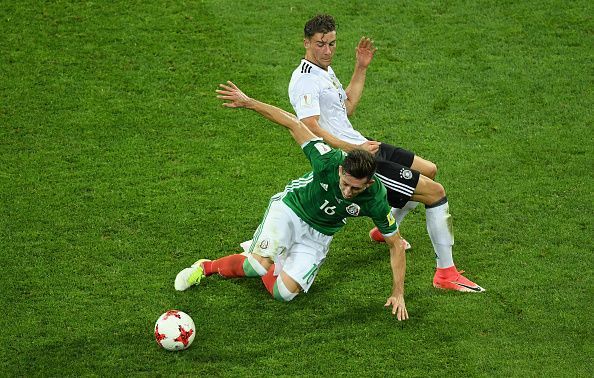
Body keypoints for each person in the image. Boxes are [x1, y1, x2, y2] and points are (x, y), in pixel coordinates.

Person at [175, 81, 409, 321]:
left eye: (355, 188)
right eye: (345, 183)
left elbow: (396, 244)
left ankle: (275, 255)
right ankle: (206, 267)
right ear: (340, 170)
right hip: (291, 210)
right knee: (255, 267)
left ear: (368, 184)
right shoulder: (327, 160)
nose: (348, 192)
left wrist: (398, 293)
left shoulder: (376, 199)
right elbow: (293, 123)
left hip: (320, 234)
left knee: (283, 294)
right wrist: (249, 102)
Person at [287, 14, 484, 292]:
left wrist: (360, 67)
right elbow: (309, 127)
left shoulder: (324, 70)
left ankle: (383, 230)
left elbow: (347, 108)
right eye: (321, 44)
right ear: (306, 42)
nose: (328, 51)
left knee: (429, 169)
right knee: (435, 192)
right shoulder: (305, 80)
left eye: (332, 44)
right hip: (353, 160)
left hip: (360, 143)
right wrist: (353, 148)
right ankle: (445, 273)